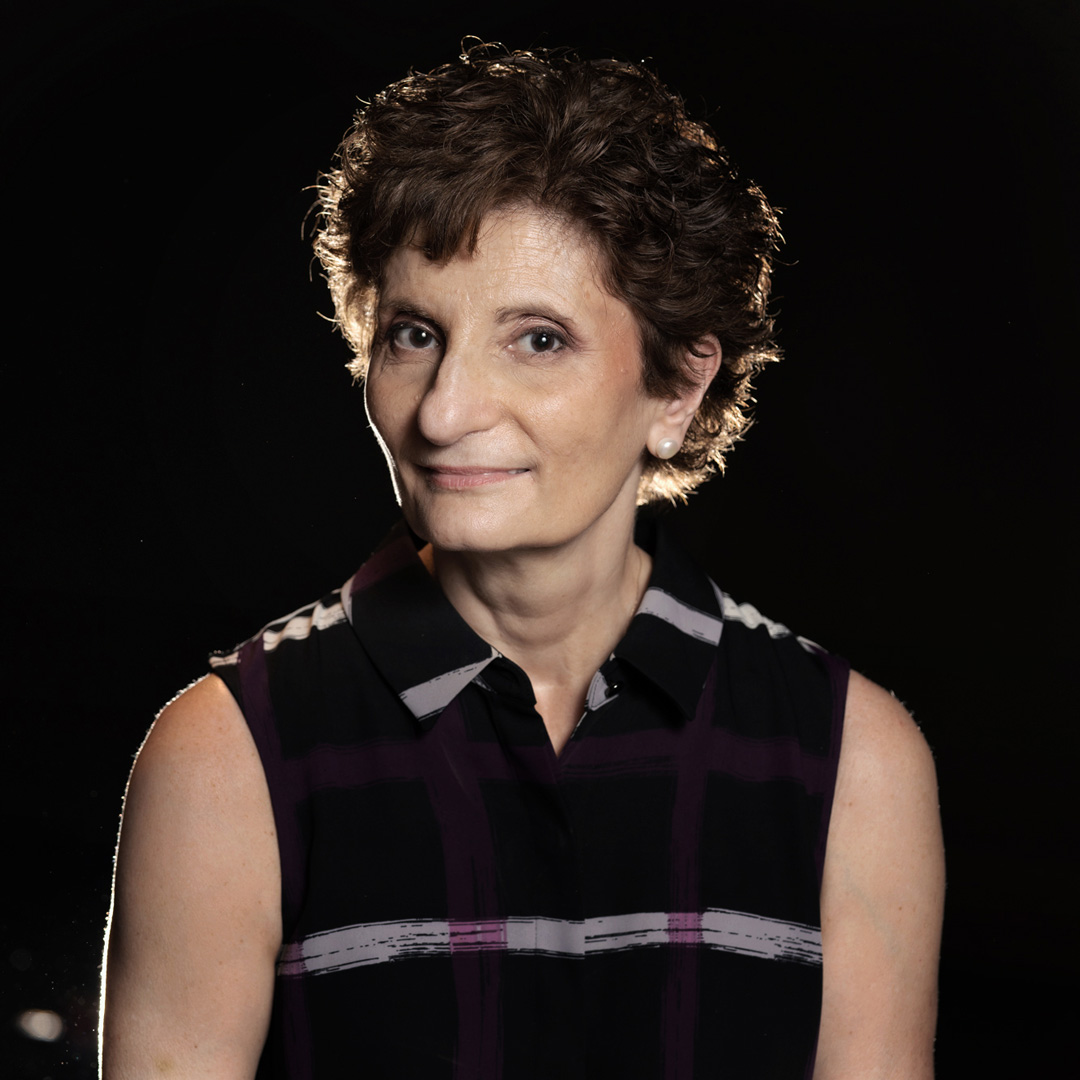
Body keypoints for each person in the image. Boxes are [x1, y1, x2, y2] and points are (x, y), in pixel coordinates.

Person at [99, 44, 944, 1079]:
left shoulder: (853, 760)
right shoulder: (227, 757)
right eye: (415, 334)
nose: (444, 412)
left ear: (678, 388)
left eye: (537, 339)